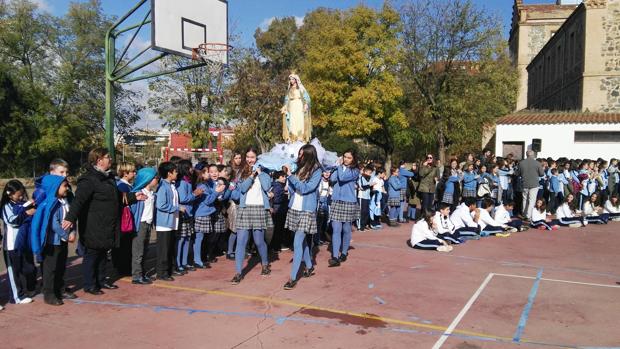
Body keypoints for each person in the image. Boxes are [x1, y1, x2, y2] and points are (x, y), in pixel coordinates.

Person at [63, 148, 144, 295]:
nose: (110, 160)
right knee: (92, 254)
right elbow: (79, 201)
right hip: (93, 224)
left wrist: (133, 197)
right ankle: (90, 284)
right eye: (107, 157)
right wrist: (70, 218)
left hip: (107, 224)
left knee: (102, 253)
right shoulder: (88, 179)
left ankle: (101, 280)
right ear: (99, 160)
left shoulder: (109, 177)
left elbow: (117, 197)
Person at [231, 147, 273, 285]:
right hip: (245, 208)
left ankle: (265, 264)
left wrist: (259, 173)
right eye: (248, 157)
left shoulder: (264, 172)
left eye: (252, 157)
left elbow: (267, 187)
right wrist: (251, 176)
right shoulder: (241, 172)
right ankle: (238, 273)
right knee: (241, 241)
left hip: (259, 208)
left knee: (259, 241)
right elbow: (242, 188)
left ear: (257, 158)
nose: (250, 160)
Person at [282, 144, 322, 289]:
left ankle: (292, 278)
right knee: (302, 241)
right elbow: (293, 187)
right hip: (294, 207)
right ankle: (310, 266)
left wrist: (290, 177)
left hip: (307, 209)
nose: (299, 157)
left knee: (298, 242)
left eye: (302, 154)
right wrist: (289, 179)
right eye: (299, 154)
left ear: (309, 155)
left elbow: (306, 188)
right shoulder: (298, 168)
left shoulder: (317, 170)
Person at [31, 176, 75, 305]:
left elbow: (71, 219)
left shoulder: (65, 201)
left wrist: (72, 232)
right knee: (51, 269)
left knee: (61, 267)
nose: (67, 188)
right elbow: (54, 224)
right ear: (55, 188)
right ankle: (49, 294)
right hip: (52, 242)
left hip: (62, 241)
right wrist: (66, 235)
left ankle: (59, 289)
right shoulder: (51, 203)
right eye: (64, 186)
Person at [2, 180, 36, 305]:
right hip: (11, 245)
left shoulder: (21, 203)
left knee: (28, 268)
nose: (21, 197)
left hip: (24, 243)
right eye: (19, 195)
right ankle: (17, 297)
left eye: (22, 194)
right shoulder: (6, 206)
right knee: (14, 273)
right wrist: (26, 213)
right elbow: (12, 221)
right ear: (10, 194)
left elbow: (25, 206)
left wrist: (32, 204)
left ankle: (30, 288)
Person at [328, 149, 360, 267]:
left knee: (346, 229)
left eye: (349, 157)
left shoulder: (355, 171)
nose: (346, 159)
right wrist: (333, 169)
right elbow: (332, 179)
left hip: (349, 201)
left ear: (353, 159)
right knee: (336, 229)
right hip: (336, 200)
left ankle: (344, 252)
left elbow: (342, 177)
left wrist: (339, 167)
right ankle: (335, 256)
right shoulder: (338, 168)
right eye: (344, 156)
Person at [129, 168, 159, 284]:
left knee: (145, 250)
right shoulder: (139, 193)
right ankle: (136, 276)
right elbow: (134, 210)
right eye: (155, 178)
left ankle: (142, 273)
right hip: (140, 224)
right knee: (138, 251)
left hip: (148, 224)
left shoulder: (151, 193)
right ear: (148, 179)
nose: (157, 180)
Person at [154, 162, 181, 281]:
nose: (177, 173)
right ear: (169, 173)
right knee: (163, 250)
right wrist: (177, 208)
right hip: (164, 223)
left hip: (172, 222)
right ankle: (161, 272)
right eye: (175, 171)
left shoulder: (171, 185)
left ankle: (169, 269)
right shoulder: (162, 186)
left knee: (169, 248)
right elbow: (161, 205)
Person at [175, 160, 203, 274]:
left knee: (187, 238)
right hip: (183, 213)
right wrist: (194, 194)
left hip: (189, 213)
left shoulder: (188, 181)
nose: (192, 169)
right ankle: (178, 263)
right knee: (181, 239)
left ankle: (185, 261)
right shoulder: (182, 182)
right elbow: (183, 199)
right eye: (190, 167)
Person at [114, 162, 136, 276]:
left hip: (128, 219)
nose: (134, 173)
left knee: (127, 245)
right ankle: (122, 268)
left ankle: (124, 266)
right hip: (124, 220)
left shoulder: (129, 185)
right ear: (125, 173)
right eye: (132, 171)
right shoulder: (122, 186)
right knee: (124, 245)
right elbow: (124, 200)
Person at [281, 73, 311, 142]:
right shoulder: (289, 89)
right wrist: (285, 106)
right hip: (292, 107)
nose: (291, 80)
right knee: (292, 121)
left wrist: (306, 104)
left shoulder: (301, 88)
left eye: (292, 79)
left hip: (299, 105)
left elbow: (307, 98)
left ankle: (300, 137)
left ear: (296, 80)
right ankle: (293, 137)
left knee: (300, 120)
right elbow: (286, 99)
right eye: (290, 79)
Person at [518, 150, 545, 220]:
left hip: (524, 183)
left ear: (526, 155)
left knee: (525, 199)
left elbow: (518, 173)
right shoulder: (537, 163)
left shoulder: (521, 163)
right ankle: (528, 215)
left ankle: (524, 213)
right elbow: (542, 174)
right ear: (533, 155)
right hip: (534, 183)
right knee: (532, 200)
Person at [270, 171, 289, 253]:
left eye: (285, 176)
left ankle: (275, 246)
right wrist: (284, 194)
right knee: (278, 228)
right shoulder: (278, 186)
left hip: (278, 209)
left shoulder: (277, 185)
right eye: (283, 176)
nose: (284, 178)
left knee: (278, 228)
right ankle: (276, 246)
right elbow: (276, 199)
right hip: (279, 210)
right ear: (278, 177)